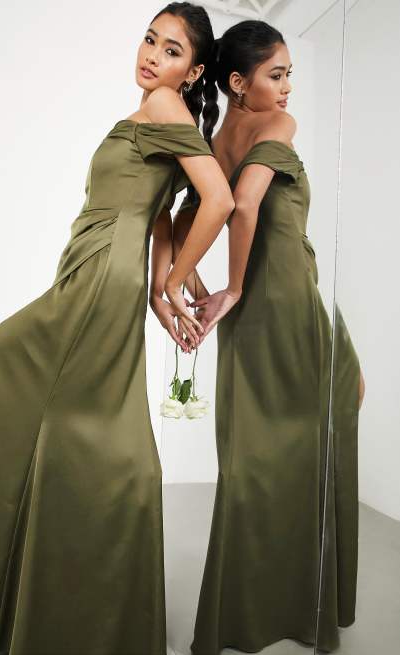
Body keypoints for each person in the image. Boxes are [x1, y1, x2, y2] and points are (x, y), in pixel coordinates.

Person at [0, 3, 234, 653]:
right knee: (69, 415)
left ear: (192, 72)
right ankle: (78, 504)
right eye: (149, 40)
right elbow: (162, 212)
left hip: (99, 278)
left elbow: (215, 199)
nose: (151, 56)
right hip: (102, 272)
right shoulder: (160, 114)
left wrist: (170, 281)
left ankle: (75, 499)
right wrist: (161, 288)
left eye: (171, 51)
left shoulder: (163, 104)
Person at [169, 20, 364, 654]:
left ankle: (253, 610)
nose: (286, 89)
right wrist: (231, 288)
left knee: (254, 450)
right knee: (327, 419)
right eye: (276, 75)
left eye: (289, 76)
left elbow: (183, 221)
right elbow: (246, 206)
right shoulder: (277, 125)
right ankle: (304, 605)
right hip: (283, 298)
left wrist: (193, 284)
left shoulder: (215, 142)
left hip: (254, 310)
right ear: (237, 81)